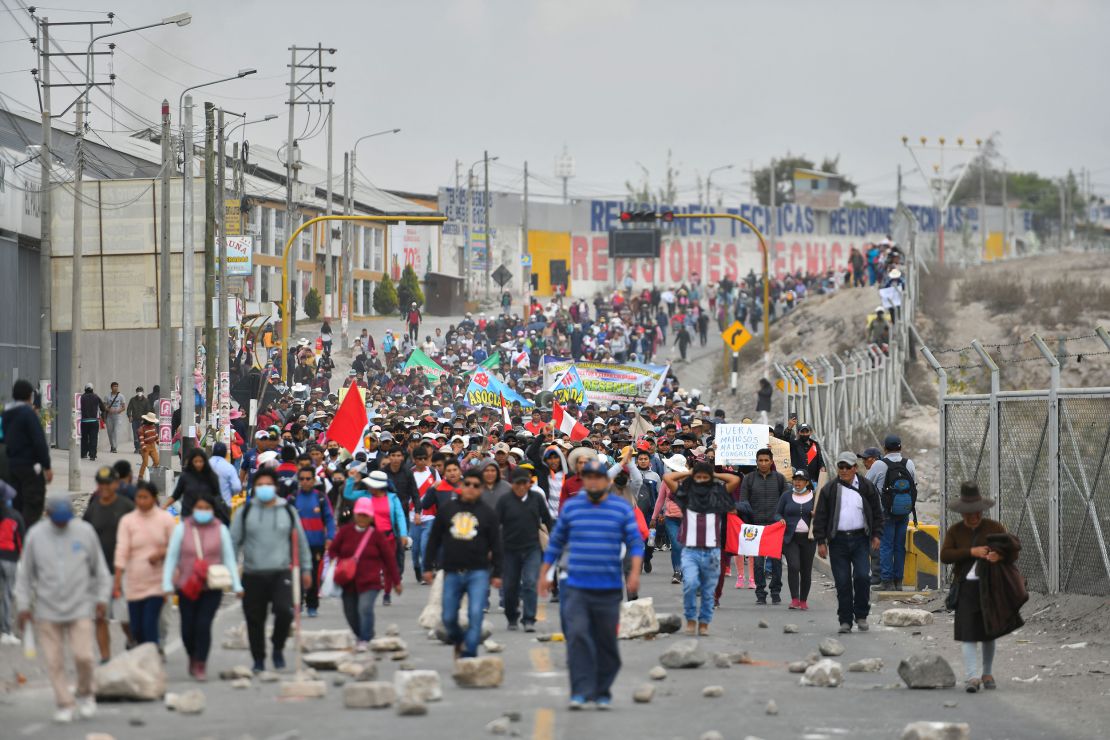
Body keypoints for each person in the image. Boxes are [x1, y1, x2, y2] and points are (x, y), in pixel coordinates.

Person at [539, 460, 643, 710]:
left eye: (598, 477)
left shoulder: (620, 508)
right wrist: (544, 573)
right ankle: (580, 691)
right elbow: (555, 543)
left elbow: (635, 542)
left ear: (605, 480)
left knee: (606, 641)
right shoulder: (572, 508)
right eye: (589, 477)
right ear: (583, 480)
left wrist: (635, 574)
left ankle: (602, 690)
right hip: (575, 585)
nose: (594, 481)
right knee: (577, 637)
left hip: (607, 588)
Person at [15, 497, 110, 724]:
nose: (61, 525)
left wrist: (101, 598)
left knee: (84, 656)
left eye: (64, 521)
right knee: (54, 661)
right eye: (57, 521)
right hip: (47, 609)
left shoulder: (85, 532)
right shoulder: (36, 536)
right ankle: (64, 702)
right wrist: (23, 606)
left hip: (80, 605)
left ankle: (86, 694)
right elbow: (25, 576)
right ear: (47, 514)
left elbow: (101, 571)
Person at [940, 483, 1024, 694]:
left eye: (976, 512)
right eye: (969, 513)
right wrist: (971, 552)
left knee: (989, 632)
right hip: (966, 588)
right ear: (962, 513)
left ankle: (987, 673)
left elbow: (1013, 551)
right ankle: (972, 677)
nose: (973, 516)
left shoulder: (995, 528)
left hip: (992, 587)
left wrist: (1000, 555)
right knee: (968, 633)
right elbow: (945, 556)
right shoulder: (955, 531)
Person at [230, 470, 312, 673]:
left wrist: (306, 568)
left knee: (285, 612)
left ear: (276, 487)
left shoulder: (287, 511)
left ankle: (277, 646)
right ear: (255, 487)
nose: (264, 488)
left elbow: (300, 542)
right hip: (252, 573)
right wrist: (231, 573)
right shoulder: (246, 511)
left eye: (268, 484)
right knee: (254, 619)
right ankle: (258, 658)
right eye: (260, 484)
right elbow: (233, 542)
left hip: (281, 572)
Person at [422, 469, 502, 659]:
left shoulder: (488, 513)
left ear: (481, 489)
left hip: (478, 572)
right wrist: (427, 567)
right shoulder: (448, 509)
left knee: (475, 615)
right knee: (448, 617)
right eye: (468, 484)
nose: (471, 489)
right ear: (462, 486)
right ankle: (459, 641)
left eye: (476, 486)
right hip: (451, 571)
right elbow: (434, 540)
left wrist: (498, 573)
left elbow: (496, 545)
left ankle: (469, 655)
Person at [163, 494, 243, 680]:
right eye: (199, 508)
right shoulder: (182, 529)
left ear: (213, 510)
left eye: (207, 508)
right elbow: (172, 558)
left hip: (211, 586)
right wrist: (167, 583)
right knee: (187, 628)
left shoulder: (220, 530)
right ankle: (192, 654)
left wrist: (237, 585)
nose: (203, 512)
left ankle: (201, 662)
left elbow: (230, 559)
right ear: (192, 509)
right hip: (186, 585)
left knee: (203, 624)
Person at [664, 461, 740, 635]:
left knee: (708, 592)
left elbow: (734, 480)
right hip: (690, 551)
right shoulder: (686, 495)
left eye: (705, 478)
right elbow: (667, 477)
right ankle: (691, 619)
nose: (701, 480)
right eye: (698, 478)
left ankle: (704, 622)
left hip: (712, 552)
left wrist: (713, 474)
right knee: (690, 584)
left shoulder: (718, 494)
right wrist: (691, 473)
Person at [812, 451, 883, 634]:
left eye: (847, 467)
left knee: (862, 577)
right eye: (840, 467)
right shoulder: (830, 489)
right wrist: (821, 541)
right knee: (842, 582)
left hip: (860, 540)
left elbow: (877, 513)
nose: (843, 471)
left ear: (855, 468)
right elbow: (821, 516)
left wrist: (876, 535)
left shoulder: (866, 487)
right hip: (838, 541)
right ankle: (845, 620)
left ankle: (861, 615)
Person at [330, 496, 400, 649]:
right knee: (350, 613)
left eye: (365, 515)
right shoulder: (345, 532)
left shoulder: (376, 536)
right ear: (354, 514)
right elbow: (333, 550)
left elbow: (389, 559)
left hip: (370, 581)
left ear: (371, 516)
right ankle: (364, 634)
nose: (362, 517)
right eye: (359, 514)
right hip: (347, 581)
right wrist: (339, 562)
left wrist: (396, 582)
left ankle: (365, 639)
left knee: (365, 608)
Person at [112, 481, 175, 647]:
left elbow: (176, 548)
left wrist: (162, 553)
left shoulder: (165, 520)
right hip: (134, 582)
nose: (141, 501)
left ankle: (151, 658)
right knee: (137, 628)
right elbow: (121, 550)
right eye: (138, 497)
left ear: (154, 499)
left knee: (149, 624)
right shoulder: (128, 521)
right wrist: (117, 580)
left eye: (145, 497)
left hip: (157, 582)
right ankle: (143, 656)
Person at [83, 466, 135, 661]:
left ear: (116, 484)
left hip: (124, 570)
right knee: (100, 616)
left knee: (124, 616)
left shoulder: (126, 507)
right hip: (99, 572)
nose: (104, 487)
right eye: (101, 484)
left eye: (108, 483)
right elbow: (85, 536)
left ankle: (131, 639)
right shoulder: (93, 507)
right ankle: (105, 657)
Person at [496, 467, 553, 632]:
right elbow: (494, 524)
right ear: (512, 484)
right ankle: (512, 616)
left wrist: (551, 539)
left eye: (524, 483)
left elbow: (547, 519)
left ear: (530, 484)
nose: (521, 487)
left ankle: (529, 619)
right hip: (509, 549)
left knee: (529, 583)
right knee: (510, 586)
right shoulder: (505, 500)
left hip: (532, 548)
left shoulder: (537, 498)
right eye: (517, 483)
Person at [865, 434, 917, 591]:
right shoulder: (909, 463)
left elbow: (867, 484)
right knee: (899, 546)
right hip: (904, 512)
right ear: (900, 447)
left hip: (885, 513)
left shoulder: (879, 465)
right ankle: (898, 582)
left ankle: (886, 582)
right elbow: (914, 485)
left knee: (886, 546)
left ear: (885, 448)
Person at [738, 448, 788, 605]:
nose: (764, 463)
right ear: (756, 462)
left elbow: (786, 501)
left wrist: (782, 519)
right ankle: (760, 592)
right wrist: (746, 521)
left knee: (776, 562)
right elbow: (743, 502)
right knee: (758, 564)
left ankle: (775, 591)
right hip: (756, 528)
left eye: (767, 460)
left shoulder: (780, 479)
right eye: (761, 460)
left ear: (772, 461)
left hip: (774, 527)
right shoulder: (749, 479)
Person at [2, 379, 53, 525]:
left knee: (16, 503)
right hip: (30, 468)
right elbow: (39, 441)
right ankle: (27, 536)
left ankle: (16, 533)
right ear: (30, 396)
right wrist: (47, 466)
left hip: (12, 467)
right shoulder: (28, 414)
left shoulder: (6, 414)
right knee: (33, 504)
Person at [287, 465, 335, 617]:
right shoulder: (292, 498)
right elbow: (285, 520)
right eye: (302, 479)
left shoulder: (320, 497)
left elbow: (329, 519)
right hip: (296, 545)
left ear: (314, 480)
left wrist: (330, 538)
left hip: (317, 544)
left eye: (308, 479)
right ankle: (297, 603)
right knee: (297, 575)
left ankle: (312, 605)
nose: (305, 481)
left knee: (313, 576)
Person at [776, 470, 817, 610]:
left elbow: (825, 514)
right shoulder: (786, 496)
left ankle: (803, 600)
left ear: (807, 482)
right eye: (795, 479)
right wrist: (780, 519)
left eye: (801, 480)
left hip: (809, 539)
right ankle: (794, 598)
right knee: (794, 566)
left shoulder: (815, 497)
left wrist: (817, 514)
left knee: (806, 570)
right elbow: (777, 512)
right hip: (791, 538)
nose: (797, 482)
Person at [166, 448, 226, 524]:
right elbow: (175, 495)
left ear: (205, 462)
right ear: (191, 462)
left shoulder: (211, 477)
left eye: (201, 461)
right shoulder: (184, 477)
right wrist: (164, 506)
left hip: (207, 516)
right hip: (187, 516)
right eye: (195, 461)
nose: (198, 464)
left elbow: (217, 496)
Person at [0, 491, 26, 644]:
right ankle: (6, 631)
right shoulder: (15, 516)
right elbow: (21, 541)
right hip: (10, 559)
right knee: (7, 596)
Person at [208, 442, 243, 507]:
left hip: (205, 505)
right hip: (224, 504)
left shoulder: (205, 465)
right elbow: (237, 487)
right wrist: (228, 493)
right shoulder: (229, 467)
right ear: (225, 453)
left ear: (213, 452)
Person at [78, 383, 104, 461]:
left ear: (85, 389)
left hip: (84, 421)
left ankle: (83, 453)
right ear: (92, 389)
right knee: (93, 438)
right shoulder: (96, 397)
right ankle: (92, 455)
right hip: (94, 421)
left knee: (84, 438)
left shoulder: (81, 397)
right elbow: (103, 408)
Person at [126, 386, 151, 454]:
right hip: (135, 420)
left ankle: (141, 448)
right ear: (136, 392)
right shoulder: (132, 400)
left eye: (141, 391)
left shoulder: (146, 400)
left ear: (143, 392)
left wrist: (145, 419)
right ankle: (137, 448)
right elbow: (129, 409)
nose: (139, 393)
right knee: (135, 434)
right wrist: (130, 416)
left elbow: (148, 410)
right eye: (138, 391)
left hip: (142, 421)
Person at [104, 381, 126, 454]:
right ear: (111, 387)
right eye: (114, 386)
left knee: (116, 431)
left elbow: (124, 407)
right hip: (109, 416)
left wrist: (120, 410)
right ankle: (112, 445)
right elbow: (104, 406)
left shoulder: (121, 396)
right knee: (110, 432)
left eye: (117, 386)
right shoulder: (107, 396)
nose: (115, 387)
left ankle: (114, 447)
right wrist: (108, 409)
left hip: (117, 416)